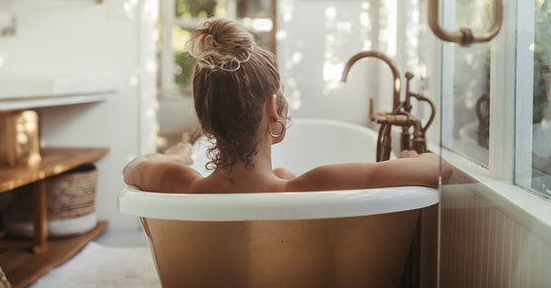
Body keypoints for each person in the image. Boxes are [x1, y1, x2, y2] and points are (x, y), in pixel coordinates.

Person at [123, 18, 453, 193]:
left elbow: (133, 168)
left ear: (204, 117)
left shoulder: (183, 183)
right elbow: (441, 169)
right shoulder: (308, 185)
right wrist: (410, 156)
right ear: (272, 109)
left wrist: (177, 157)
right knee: (283, 172)